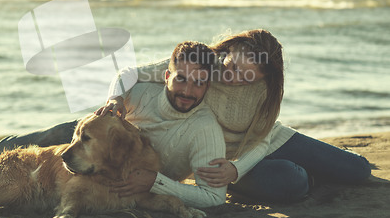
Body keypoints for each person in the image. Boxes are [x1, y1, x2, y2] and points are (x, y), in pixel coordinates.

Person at [102, 29, 371, 203]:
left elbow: (264, 141)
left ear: (263, 78)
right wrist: (115, 98)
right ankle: (308, 176)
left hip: (267, 143)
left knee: (359, 171)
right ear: (229, 50)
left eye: (247, 77)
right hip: (223, 157)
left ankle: (330, 160)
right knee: (294, 181)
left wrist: (236, 170)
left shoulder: (265, 90)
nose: (233, 78)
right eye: (232, 67)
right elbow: (129, 73)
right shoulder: (205, 64)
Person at [0, 41, 227, 208]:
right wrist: (115, 98)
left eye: (198, 83)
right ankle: (4, 146)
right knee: (52, 136)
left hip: (108, 151)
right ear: (166, 77)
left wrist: (158, 183)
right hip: (93, 137)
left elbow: (214, 197)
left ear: (208, 86)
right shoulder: (142, 92)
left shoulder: (205, 129)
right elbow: (124, 73)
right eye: (181, 79)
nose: (187, 91)